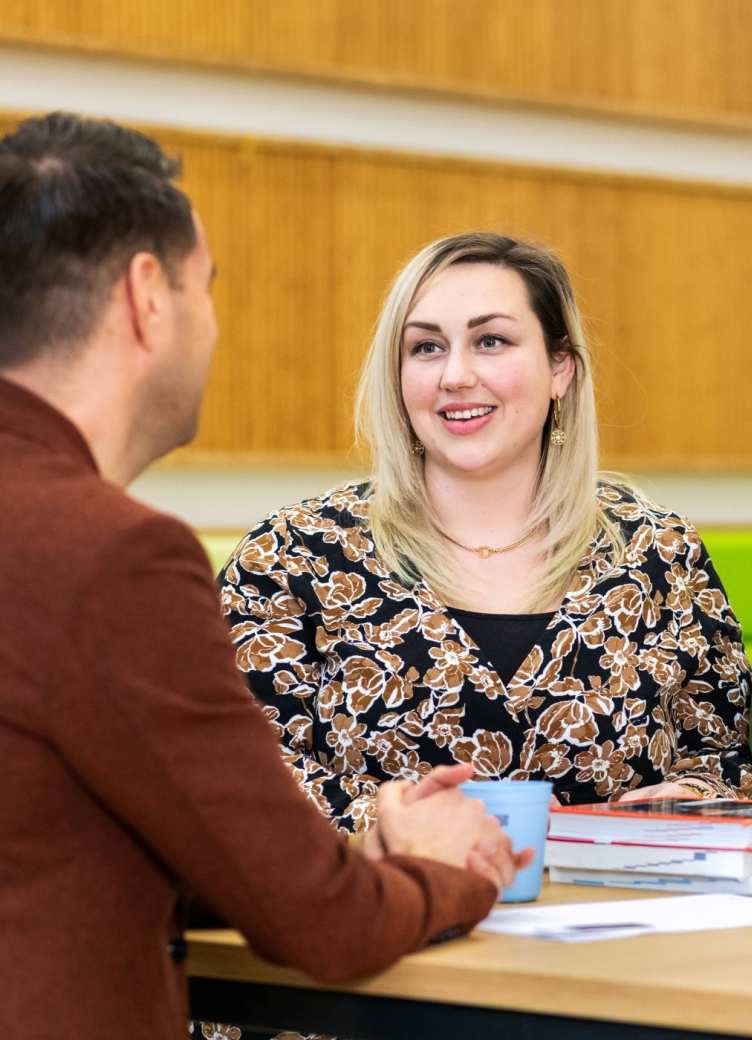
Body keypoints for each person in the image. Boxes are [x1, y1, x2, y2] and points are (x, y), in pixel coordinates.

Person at [0, 112, 527, 1040]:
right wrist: (449, 870)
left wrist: (350, 860)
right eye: (209, 285)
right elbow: (321, 926)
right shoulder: (112, 556)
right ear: (147, 297)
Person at [218, 231, 752, 838]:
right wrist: (413, 830)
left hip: (618, 915)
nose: (455, 375)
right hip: (389, 919)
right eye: (425, 348)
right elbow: (244, 777)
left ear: (561, 369)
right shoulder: (291, 556)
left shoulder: (658, 551)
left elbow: (722, 760)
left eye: (490, 341)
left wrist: (691, 797)